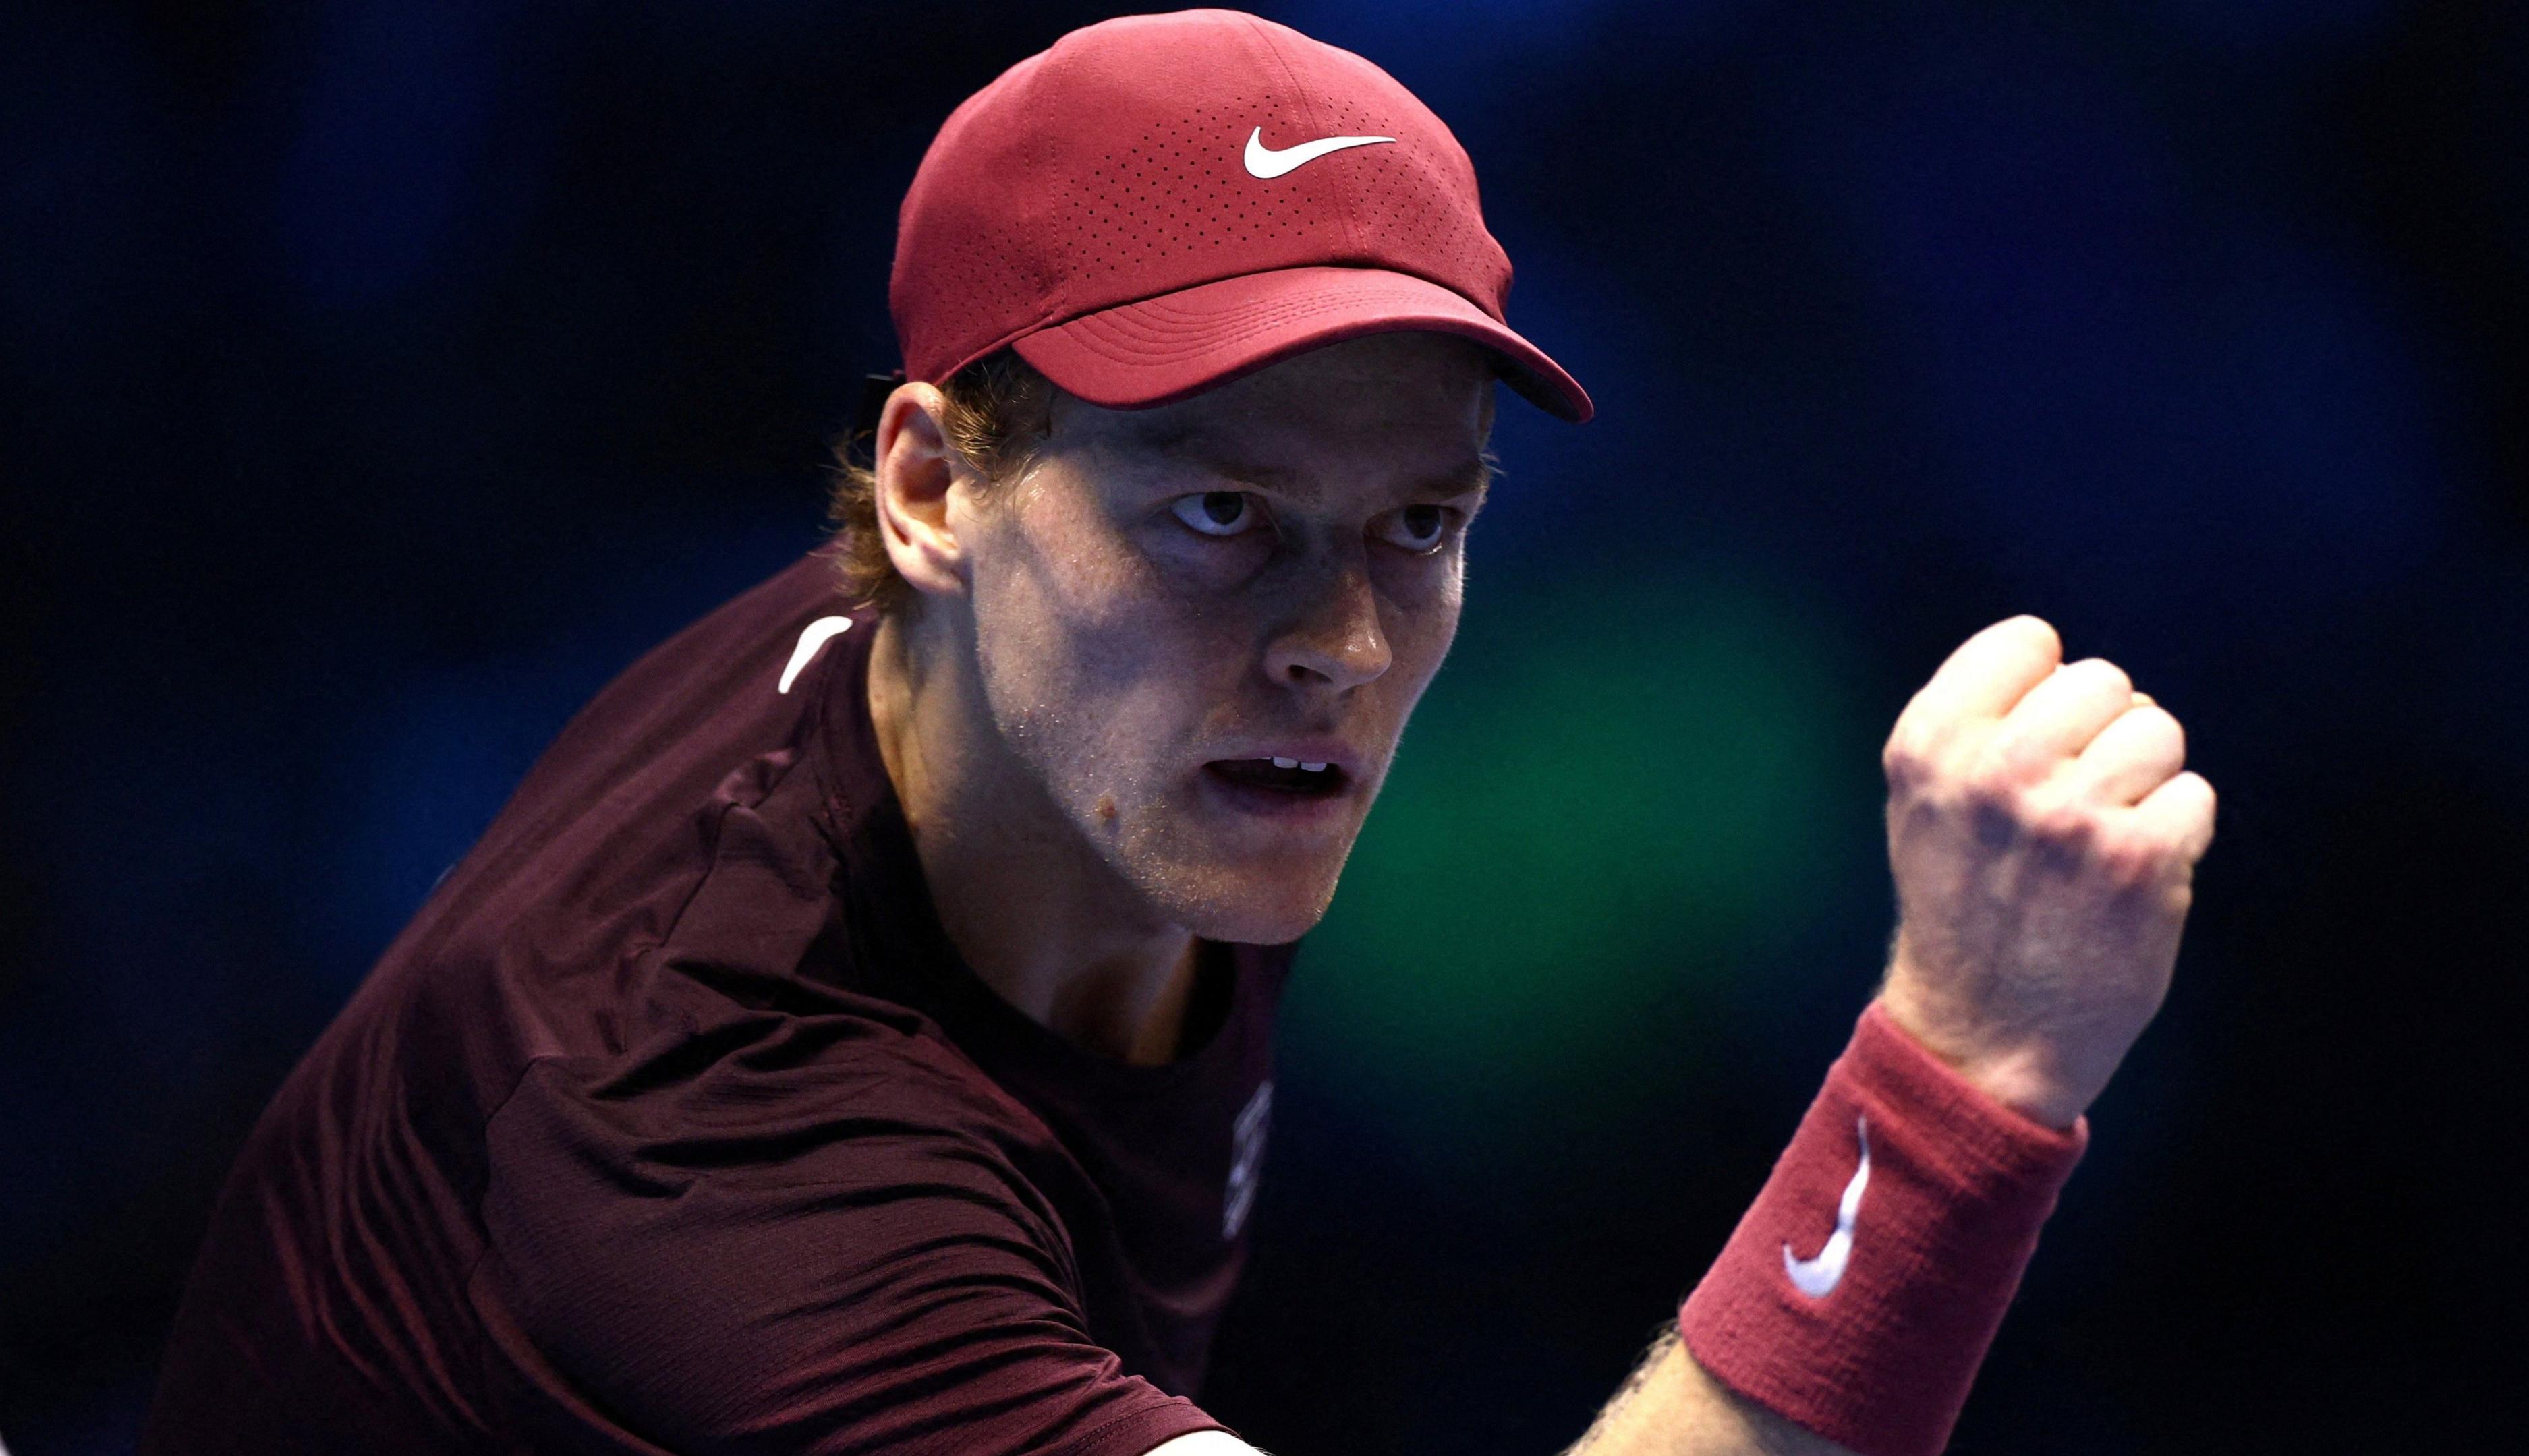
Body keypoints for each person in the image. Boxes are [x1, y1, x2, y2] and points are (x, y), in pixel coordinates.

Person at [140, 11, 2216, 1456]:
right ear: (936, 491)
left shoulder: (1061, 704)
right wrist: (1958, 1086)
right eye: (1221, 512)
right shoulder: (702, 1132)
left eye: (1422, 525)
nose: (1336, 638)